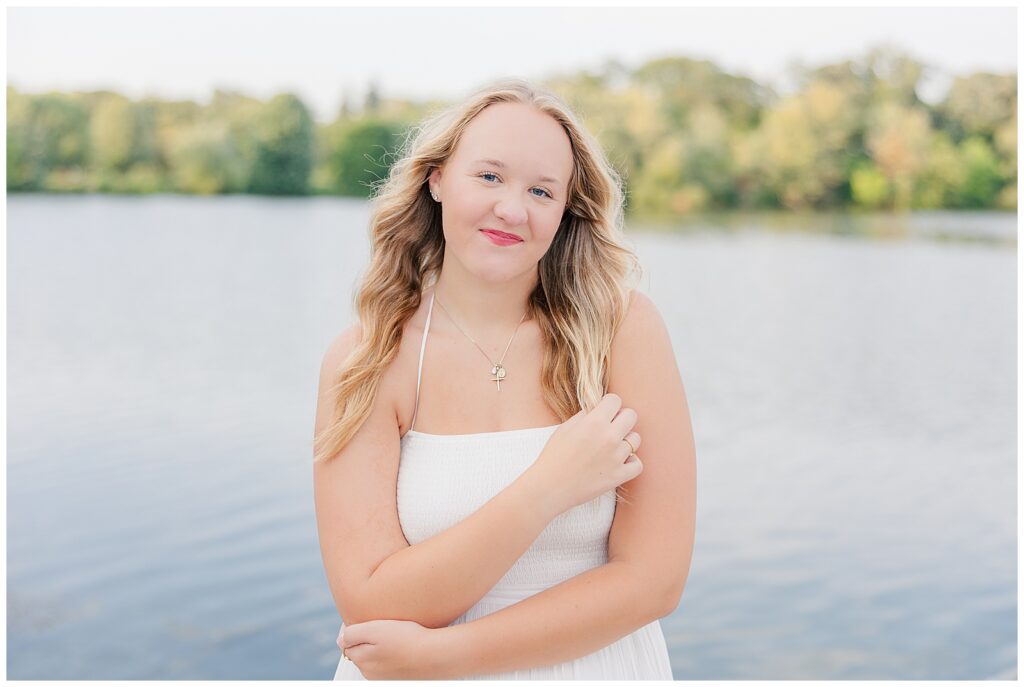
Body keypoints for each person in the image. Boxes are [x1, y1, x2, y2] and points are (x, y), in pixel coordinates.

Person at [312, 78, 696, 680]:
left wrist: (446, 656)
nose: (512, 209)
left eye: (541, 191)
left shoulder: (622, 331)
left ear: (565, 210)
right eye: (489, 177)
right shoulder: (367, 357)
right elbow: (370, 602)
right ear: (437, 179)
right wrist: (546, 487)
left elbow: (654, 581)